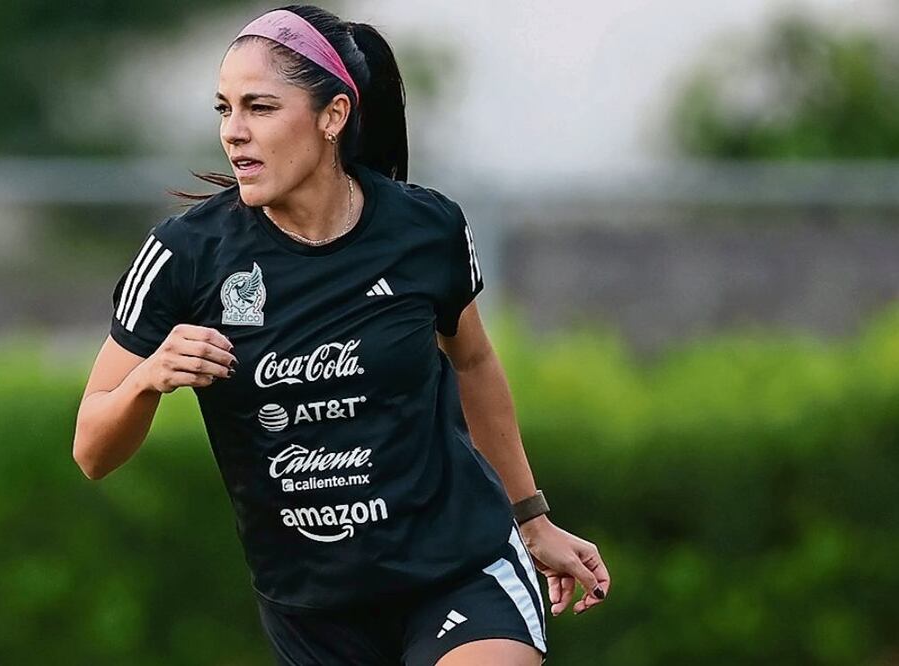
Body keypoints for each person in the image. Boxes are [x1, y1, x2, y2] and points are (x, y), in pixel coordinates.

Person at [73, 5, 610, 665]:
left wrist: (529, 516)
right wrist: (148, 380)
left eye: (260, 108)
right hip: (313, 613)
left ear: (332, 116)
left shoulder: (426, 229)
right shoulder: (185, 255)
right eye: (224, 110)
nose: (233, 133)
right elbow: (92, 452)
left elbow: (471, 364)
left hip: (458, 571)